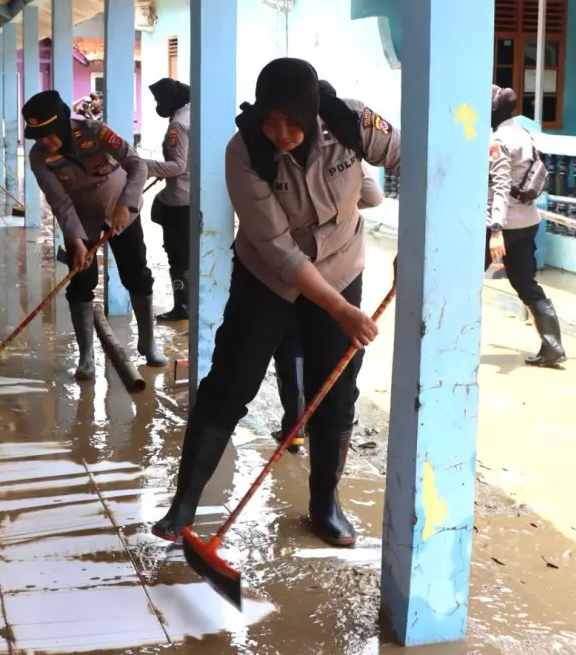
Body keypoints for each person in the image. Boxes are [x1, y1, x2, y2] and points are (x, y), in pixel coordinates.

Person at [152, 58, 401, 548]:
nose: (281, 133)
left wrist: (416, 244)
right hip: (267, 278)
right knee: (229, 383)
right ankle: (183, 505)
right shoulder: (243, 150)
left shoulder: (351, 122)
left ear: (311, 111)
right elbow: (278, 249)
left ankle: (325, 505)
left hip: (341, 267)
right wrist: (339, 309)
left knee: (335, 392)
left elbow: (411, 159)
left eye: (292, 121)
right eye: (270, 120)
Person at [272, 81, 386, 452]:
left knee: (302, 342)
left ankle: (298, 424)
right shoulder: (270, 149)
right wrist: (341, 212)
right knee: (330, 343)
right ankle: (313, 420)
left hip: (322, 268)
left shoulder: (348, 137)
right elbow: (373, 196)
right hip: (312, 267)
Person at [22, 89, 166, 378]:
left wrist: (126, 204)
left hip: (120, 210)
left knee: (136, 273)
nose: (44, 142)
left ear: (62, 123)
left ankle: (148, 343)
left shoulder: (96, 132)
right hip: (80, 219)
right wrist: (75, 240)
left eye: (48, 134)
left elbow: (137, 165)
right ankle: (86, 356)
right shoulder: (38, 157)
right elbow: (59, 202)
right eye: (38, 137)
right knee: (80, 280)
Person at [487, 86, 565, 367]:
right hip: (527, 222)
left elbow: (500, 186)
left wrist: (496, 230)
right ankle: (553, 347)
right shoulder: (523, 134)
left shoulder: (498, 140)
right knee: (525, 283)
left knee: (462, 280)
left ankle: (449, 341)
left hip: (501, 225)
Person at [144, 78, 192, 322]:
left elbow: (177, 166)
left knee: (178, 257)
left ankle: (183, 306)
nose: (158, 104)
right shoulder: (195, 115)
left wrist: (143, 166)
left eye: (158, 99)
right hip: (196, 197)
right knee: (191, 255)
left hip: (181, 200)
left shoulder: (178, 124)